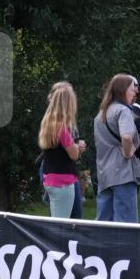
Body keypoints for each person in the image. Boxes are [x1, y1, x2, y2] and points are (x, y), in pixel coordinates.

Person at [94, 74, 140, 223]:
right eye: (132, 89)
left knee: (104, 224)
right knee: (126, 224)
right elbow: (127, 137)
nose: (135, 93)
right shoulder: (124, 111)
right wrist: (128, 151)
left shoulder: (101, 114)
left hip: (104, 174)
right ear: (122, 90)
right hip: (123, 174)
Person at [38, 82, 86, 218]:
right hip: (63, 182)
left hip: (51, 178)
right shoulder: (62, 128)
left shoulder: (48, 123)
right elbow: (74, 154)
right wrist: (78, 146)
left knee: (60, 221)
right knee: (61, 226)